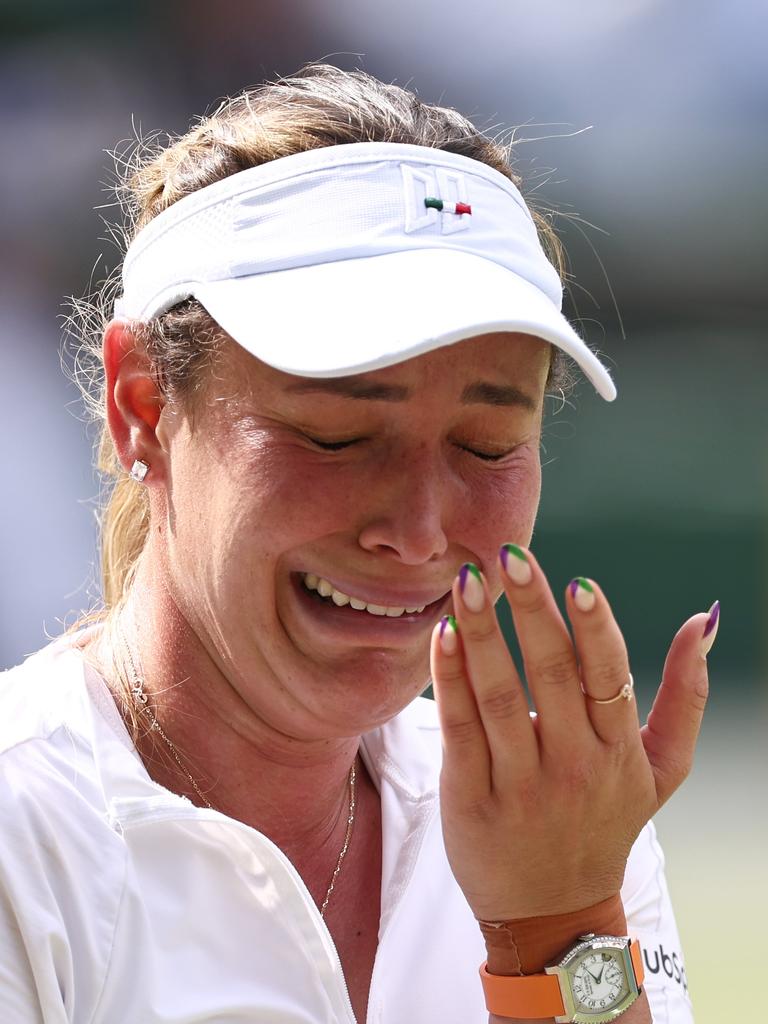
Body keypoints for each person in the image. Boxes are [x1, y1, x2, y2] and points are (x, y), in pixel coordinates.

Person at [0, 64, 717, 1024]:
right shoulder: (21, 833)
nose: (418, 530)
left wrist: (561, 923)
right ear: (143, 406)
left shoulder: (564, 825)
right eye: (334, 436)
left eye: (487, 444)